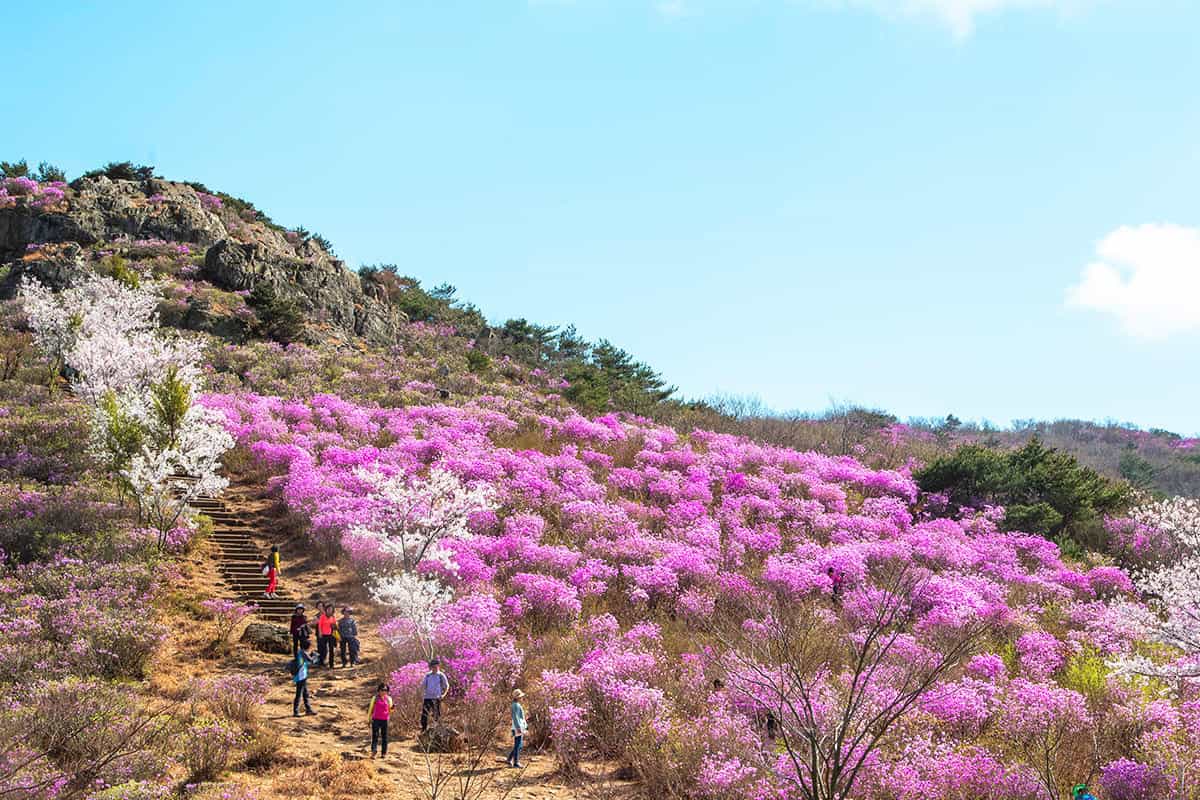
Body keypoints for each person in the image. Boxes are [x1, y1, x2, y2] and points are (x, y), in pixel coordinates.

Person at [420, 658, 449, 732]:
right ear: (431, 667)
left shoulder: (441, 675)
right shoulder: (427, 675)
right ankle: (423, 729)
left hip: (437, 698)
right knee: (424, 714)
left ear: (438, 666)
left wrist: (443, 695)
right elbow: (423, 685)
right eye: (433, 667)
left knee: (436, 715)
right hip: (427, 697)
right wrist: (422, 694)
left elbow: (446, 686)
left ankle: (436, 730)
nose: (434, 668)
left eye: (436, 666)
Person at [368, 683, 394, 758]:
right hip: (375, 719)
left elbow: (390, 710)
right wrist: (369, 719)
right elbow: (370, 709)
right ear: (379, 690)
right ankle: (374, 751)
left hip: (385, 720)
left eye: (385, 690)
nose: (384, 692)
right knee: (375, 736)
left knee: (384, 737)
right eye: (382, 690)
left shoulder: (389, 699)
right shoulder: (375, 698)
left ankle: (383, 753)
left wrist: (393, 708)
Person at [292, 647, 315, 716]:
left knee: (305, 693)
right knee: (299, 694)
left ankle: (308, 709)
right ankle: (295, 711)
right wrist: (315, 656)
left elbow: (305, 661)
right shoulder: (303, 652)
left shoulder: (300, 652)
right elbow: (312, 661)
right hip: (301, 676)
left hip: (301, 676)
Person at [507, 689, 527, 768]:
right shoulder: (515, 705)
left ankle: (509, 759)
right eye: (520, 696)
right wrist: (518, 727)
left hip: (519, 726)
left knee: (518, 744)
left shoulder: (516, 704)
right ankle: (516, 762)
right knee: (518, 745)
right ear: (517, 697)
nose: (521, 698)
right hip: (517, 727)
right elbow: (515, 717)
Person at [316, 603, 337, 668]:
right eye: (328, 609)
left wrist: (334, 627)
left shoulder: (333, 617)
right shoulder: (322, 616)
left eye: (331, 609)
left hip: (331, 635)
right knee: (323, 649)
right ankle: (321, 663)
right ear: (326, 609)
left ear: (332, 610)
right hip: (323, 635)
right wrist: (320, 633)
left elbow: (335, 626)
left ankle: (331, 664)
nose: (329, 610)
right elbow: (319, 625)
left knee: (331, 649)